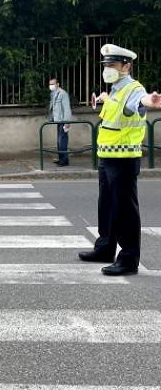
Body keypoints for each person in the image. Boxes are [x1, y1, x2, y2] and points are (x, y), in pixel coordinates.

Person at [78, 44, 161, 276]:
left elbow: (140, 100)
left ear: (127, 66)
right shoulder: (115, 89)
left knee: (125, 210)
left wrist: (150, 101)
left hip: (124, 159)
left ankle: (128, 259)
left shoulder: (134, 89)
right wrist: (104, 97)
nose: (107, 69)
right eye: (106, 65)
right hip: (107, 158)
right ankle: (105, 247)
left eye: (112, 65)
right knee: (106, 205)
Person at [48, 78, 73, 166]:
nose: (51, 86)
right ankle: (61, 158)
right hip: (58, 121)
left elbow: (66, 108)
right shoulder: (53, 94)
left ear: (57, 84)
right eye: (50, 84)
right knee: (59, 141)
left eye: (53, 84)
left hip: (63, 121)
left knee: (62, 141)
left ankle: (64, 161)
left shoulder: (62, 93)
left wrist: (67, 122)